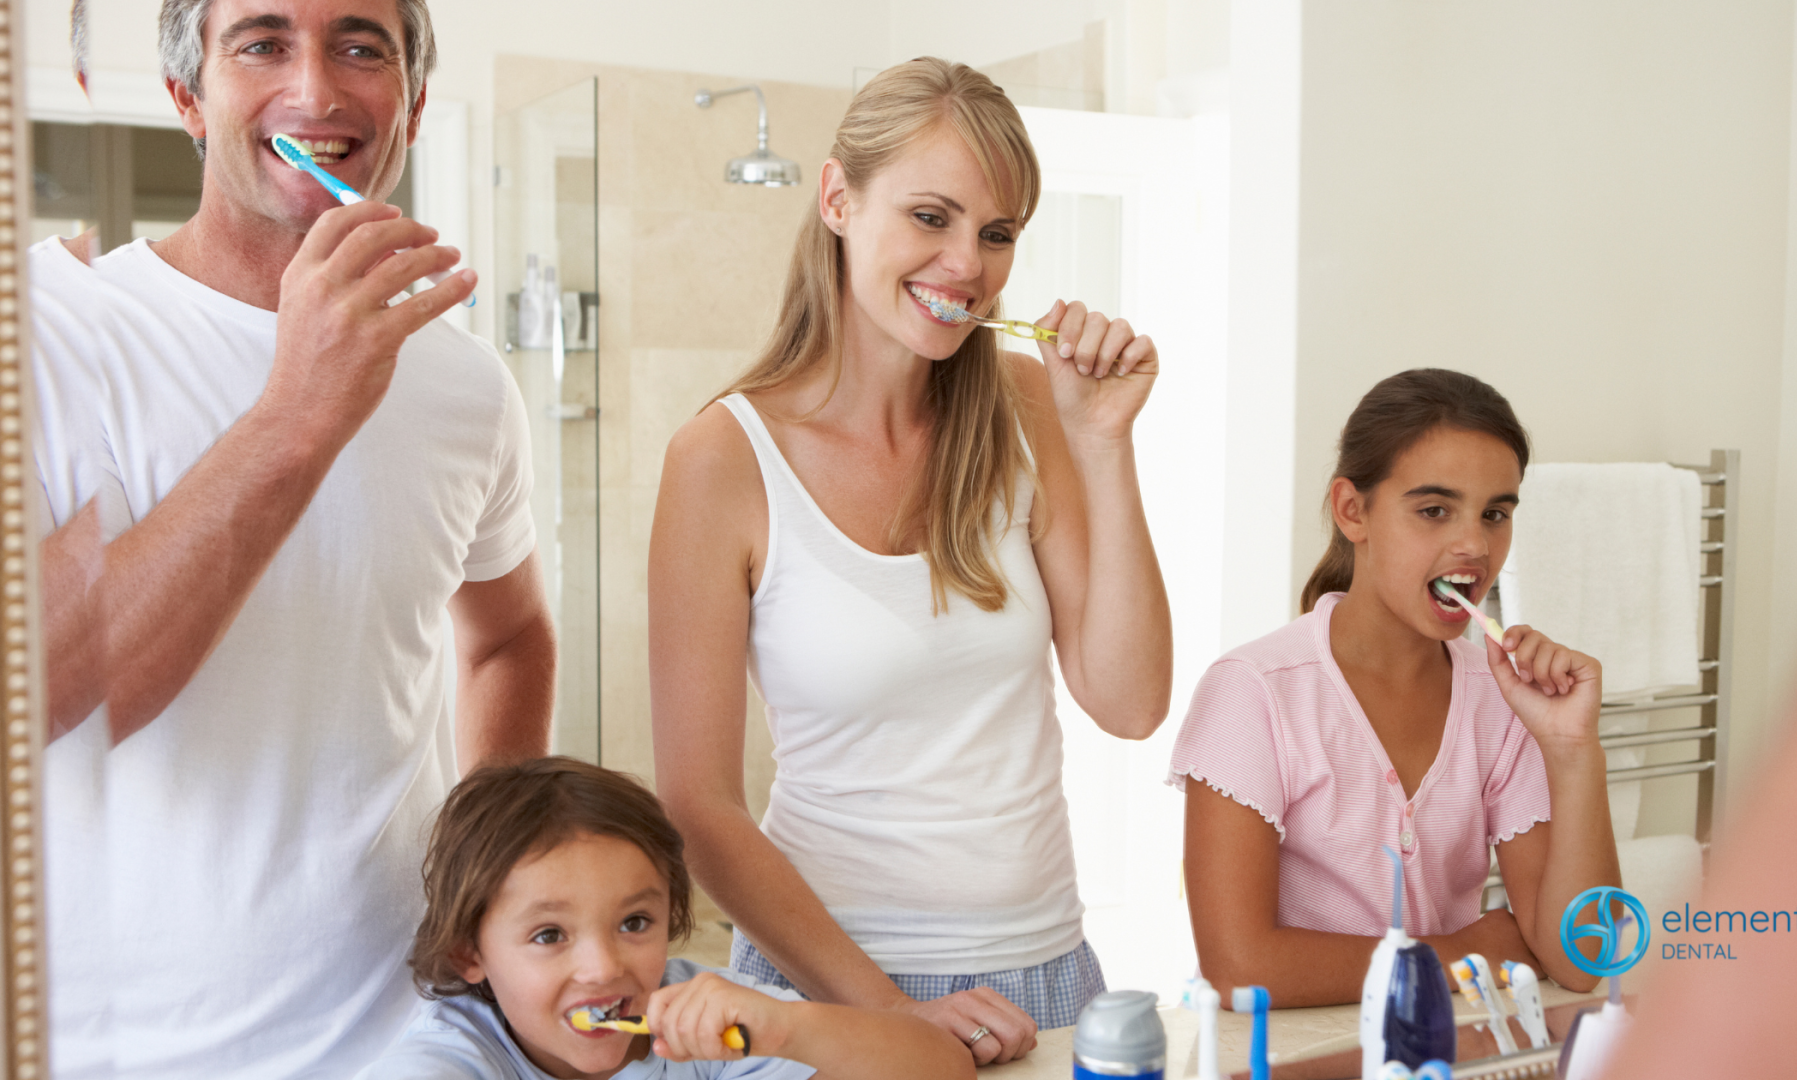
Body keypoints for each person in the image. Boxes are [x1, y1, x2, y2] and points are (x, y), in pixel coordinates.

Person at [31, 0, 556, 1077]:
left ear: (410, 103)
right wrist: (297, 410)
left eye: (362, 46)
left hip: (410, 1040)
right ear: (188, 98)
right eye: (262, 43)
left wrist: (493, 895)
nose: (317, 91)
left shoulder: (464, 384)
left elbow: (509, 639)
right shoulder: (57, 330)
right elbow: (36, 685)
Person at [648, 57, 1173, 1065]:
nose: (966, 264)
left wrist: (1105, 443)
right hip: (831, 991)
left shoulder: (1029, 407)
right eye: (930, 217)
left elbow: (1131, 702)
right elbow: (697, 805)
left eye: (996, 232)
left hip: (1046, 974)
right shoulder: (723, 459)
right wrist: (885, 1012)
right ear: (840, 199)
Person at [1170, 369, 1621, 1007]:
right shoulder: (1254, 694)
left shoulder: (1502, 700)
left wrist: (1574, 752)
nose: (1474, 545)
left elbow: (1581, 961)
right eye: (1434, 510)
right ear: (1352, 510)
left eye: (1495, 513)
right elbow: (1241, 968)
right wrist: (1470, 952)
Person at [363, 756, 972, 1080]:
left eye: (634, 923)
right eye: (549, 935)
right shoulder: (457, 1055)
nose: (603, 968)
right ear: (470, 952)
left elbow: (943, 1068)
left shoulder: (696, 1015)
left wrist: (787, 1029)